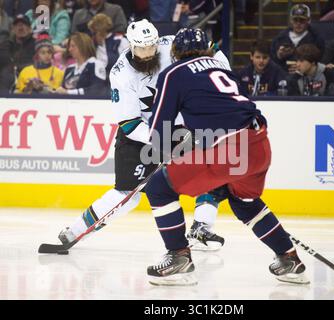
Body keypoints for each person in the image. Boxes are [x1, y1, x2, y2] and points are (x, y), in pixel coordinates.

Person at [144, 28, 309, 286]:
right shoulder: (222, 68)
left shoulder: (173, 73)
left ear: (175, 52)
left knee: (158, 188)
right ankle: (289, 258)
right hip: (259, 143)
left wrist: (163, 154)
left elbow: (158, 129)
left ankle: (179, 257)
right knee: (243, 200)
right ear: (208, 48)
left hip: (230, 149)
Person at [56, 20, 225, 251]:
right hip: (141, 134)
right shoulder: (121, 73)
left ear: (157, 42)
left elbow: (211, 50)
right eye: (141, 49)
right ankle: (75, 231)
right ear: (131, 46)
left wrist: (221, 77)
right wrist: (164, 142)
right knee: (126, 194)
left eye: (150, 48)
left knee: (211, 171)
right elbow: (129, 124)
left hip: (179, 127)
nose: (147, 54)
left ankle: (202, 226)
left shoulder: (171, 45)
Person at [271, 4, 325, 73]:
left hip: (308, 77)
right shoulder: (279, 38)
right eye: (295, 20)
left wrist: (304, 68)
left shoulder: (316, 39)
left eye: (302, 20)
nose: (298, 23)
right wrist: (278, 56)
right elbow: (272, 62)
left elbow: (321, 61)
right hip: (283, 76)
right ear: (291, 20)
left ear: (308, 20)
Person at [52, 32, 108, 96]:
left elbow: (98, 89)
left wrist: (69, 92)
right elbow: (63, 90)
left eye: (73, 46)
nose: (69, 49)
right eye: (69, 46)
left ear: (83, 46)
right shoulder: (69, 69)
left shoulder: (95, 64)